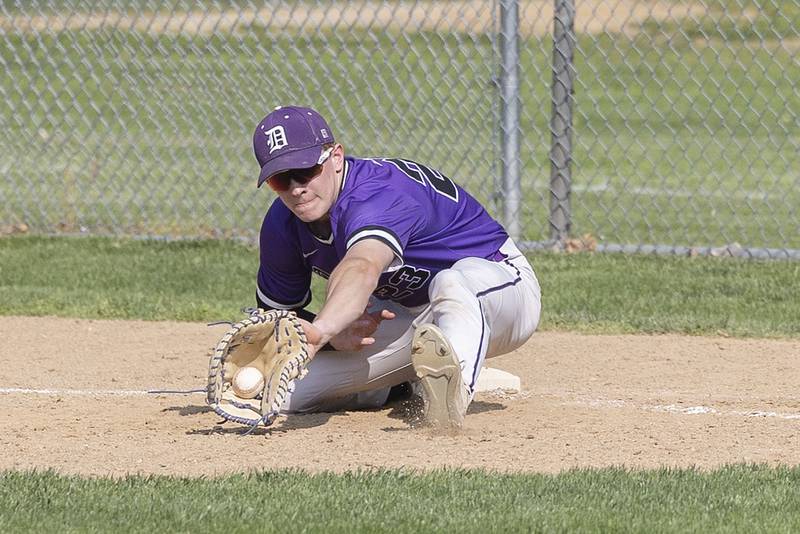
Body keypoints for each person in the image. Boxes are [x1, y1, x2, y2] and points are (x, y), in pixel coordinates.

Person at [252, 105, 541, 427]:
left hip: (499, 292)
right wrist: (333, 337)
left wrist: (322, 329)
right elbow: (278, 316)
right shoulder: (282, 224)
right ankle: (399, 383)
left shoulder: (379, 194)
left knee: (450, 283)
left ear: (335, 158)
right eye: (280, 179)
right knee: (273, 391)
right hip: (402, 315)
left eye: (304, 171)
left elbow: (361, 265)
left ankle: (452, 394)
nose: (295, 188)